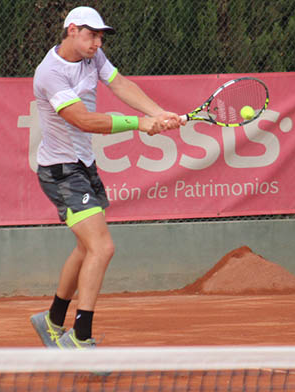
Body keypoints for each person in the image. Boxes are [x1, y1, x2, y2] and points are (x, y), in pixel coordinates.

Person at [29, 6, 184, 349]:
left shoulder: (93, 58)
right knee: (103, 247)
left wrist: (158, 113)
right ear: (71, 30)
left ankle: (52, 321)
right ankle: (80, 338)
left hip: (84, 165)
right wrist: (138, 124)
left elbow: (120, 84)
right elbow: (82, 120)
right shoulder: (50, 73)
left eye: (100, 36)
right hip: (61, 172)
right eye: (90, 34)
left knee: (87, 248)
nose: (97, 42)